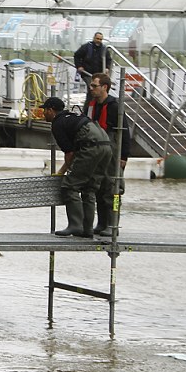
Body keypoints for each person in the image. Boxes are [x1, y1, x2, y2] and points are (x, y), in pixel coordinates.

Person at [41, 96, 112, 238]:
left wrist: (61, 172)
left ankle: (76, 226)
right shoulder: (72, 116)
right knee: (89, 188)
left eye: (45, 110)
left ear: (51, 110)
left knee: (70, 186)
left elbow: (70, 153)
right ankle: (87, 230)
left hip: (91, 147)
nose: (43, 114)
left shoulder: (58, 123)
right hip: (106, 146)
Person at [84, 73, 131, 237]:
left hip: (113, 154)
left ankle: (113, 224)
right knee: (98, 188)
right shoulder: (90, 105)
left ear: (104, 87)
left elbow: (125, 132)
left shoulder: (114, 107)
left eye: (94, 86)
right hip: (96, 154)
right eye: (91, 86)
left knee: (114, 190)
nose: (91, 89)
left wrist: (124, 156)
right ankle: (102, 223)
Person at [73, 32, 112, 100]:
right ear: (94, 38)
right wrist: (79, 66)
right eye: (97, 38)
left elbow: (109, 59)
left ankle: (94, 106)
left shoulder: (104, 49)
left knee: (97, 91)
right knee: (93, 89)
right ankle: (90, 107)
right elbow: (77, 56)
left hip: (99, 74)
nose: (98, 40)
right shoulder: (86, 47)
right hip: (87, 73)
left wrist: (107, 68)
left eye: (100, 39)